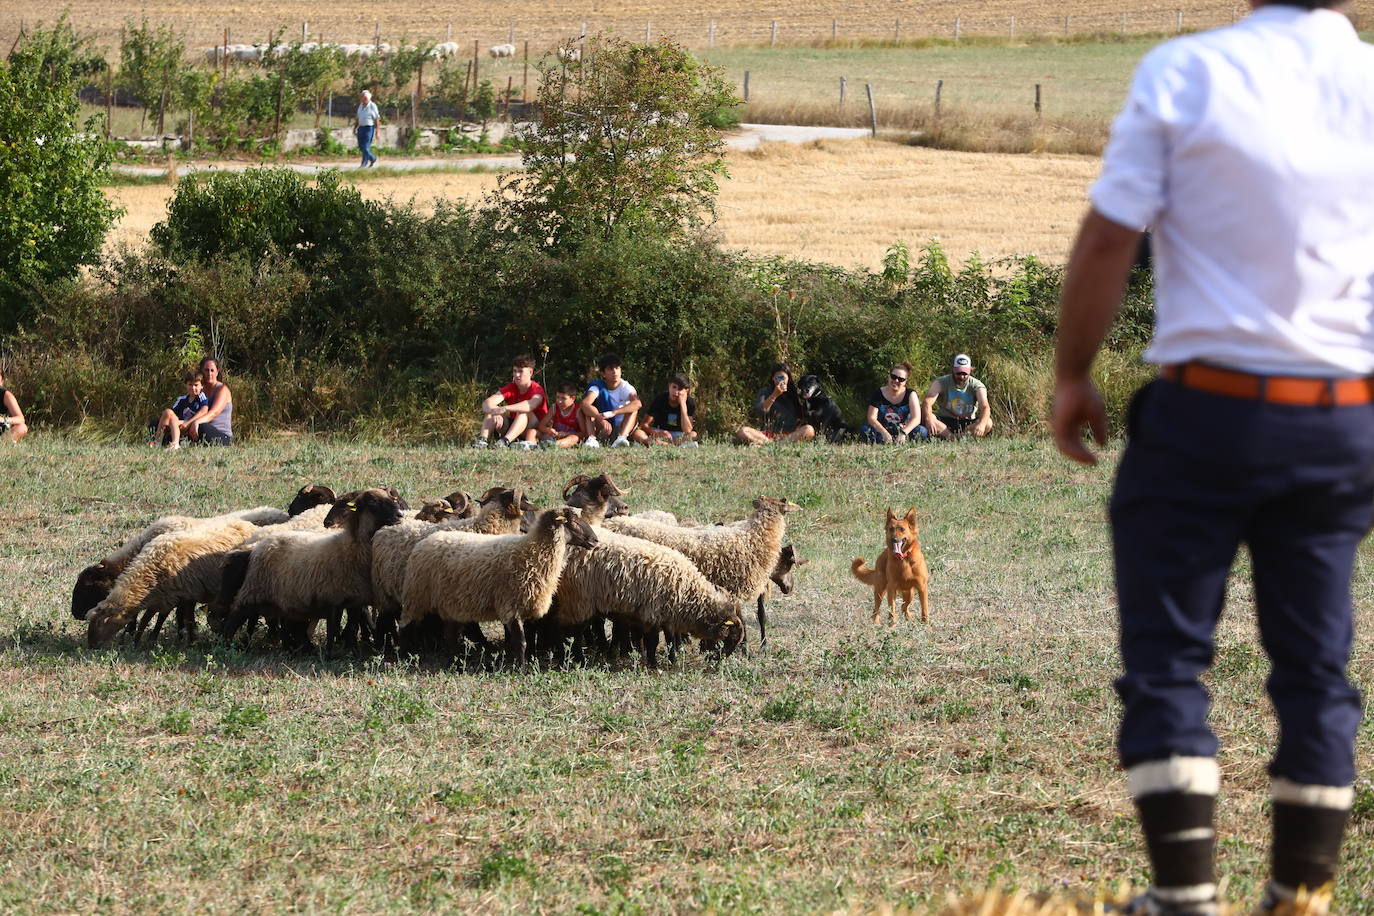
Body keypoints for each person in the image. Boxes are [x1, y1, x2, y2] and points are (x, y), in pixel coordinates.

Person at [1051, 0, 1374, 913]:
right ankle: (1299, 898)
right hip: (1344, 417)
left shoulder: (1187, 71)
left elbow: (1113, 233)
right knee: (1315, 664)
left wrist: (1073, 372)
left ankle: (1185, 899)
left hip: (1209, 415)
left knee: (1166, 662)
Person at [473, 354, 547, 449]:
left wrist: (504, 408)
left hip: (532, 430)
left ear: (530, 372)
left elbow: (530, 405)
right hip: (513, 426)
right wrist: (496, 413)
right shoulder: (511, 387)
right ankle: (482, 441)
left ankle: (504, 442)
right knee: (490, 413)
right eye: (515, 371)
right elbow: (486, 404)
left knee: (523, 413)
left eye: (520, 371)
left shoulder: (537, 389)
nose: (516, 375)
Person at [736, 362, 816, 445]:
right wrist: (775, 394)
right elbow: (760, 412)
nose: (781, 381)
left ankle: (776, 444)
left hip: (790, 435)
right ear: (773, 378)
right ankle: (772, 444)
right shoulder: (765, 392)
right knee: (743, 432)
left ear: (788, 379)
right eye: (778, 378)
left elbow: (804, 415)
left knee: (809, 430)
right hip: (768, 435)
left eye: (783, 378)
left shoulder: (795, 393)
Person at [579, 352, 641, 449]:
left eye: (617, 368)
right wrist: (599, 418)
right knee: (588, 411)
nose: (614, 372)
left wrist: (615, 412)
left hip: (622, 426)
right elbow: (584, 404)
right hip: (604, 426)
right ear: (603, 374)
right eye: (610, 369)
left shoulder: (626, 387)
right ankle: (592, 439)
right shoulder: (597, 386)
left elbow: (637, 403)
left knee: (633, 409)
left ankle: (622, 438)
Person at [922, 354, 992, 439]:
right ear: (952, 369)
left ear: (970, 370)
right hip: (945, 421)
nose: (961, 377)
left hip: (967, 423)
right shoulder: (940, 382)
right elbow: (927, 402)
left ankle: (958, 437)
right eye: (958, 373)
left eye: (964, 374)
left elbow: (985, 407)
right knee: (926, 416)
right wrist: (929, 419)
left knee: (988, 422)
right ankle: (954, 438)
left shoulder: (977, 385)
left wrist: (982, 424)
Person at [859, 362, 925, 444]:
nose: (896, 381)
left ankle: (900, 441)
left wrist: (903, 433)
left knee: (922, 431)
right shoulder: (878, 393)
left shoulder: (911, 394)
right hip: (882, 430)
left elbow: (916, 418)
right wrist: (884, 433)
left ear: (905, 381)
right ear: (889, 376)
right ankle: (887, 441)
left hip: (904, 430)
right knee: (865, 430)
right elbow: (871, 418)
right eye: (893, 377)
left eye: (901, 379)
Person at [632, 373, 699, 447]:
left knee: (693, 435)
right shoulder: (660, 399)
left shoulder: (690, 403)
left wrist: (683, 405)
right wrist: (658, 432)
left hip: (678, 435)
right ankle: (667, 445)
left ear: (686, 391)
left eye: (680, 389)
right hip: (660, 433)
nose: (676, 392)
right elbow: (644, 425)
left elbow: (687, 430)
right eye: (674, 387)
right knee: (637, 433)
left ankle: (663, 445)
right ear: (669, 386)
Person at [150, 369, 208, 449]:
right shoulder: (182, 399)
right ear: (186, 385)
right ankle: (157, 440)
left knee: (173, 421)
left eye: (196, 385)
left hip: (192, 423)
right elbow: (171, 413)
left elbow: (204, 411)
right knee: (167, 412)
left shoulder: (201, 397)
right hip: (180, 423)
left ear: (202, 386)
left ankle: (175, 444)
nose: (193, 388)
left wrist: (188, 423)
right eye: (190, 385)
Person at [193, 357, 234, 445]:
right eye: (206, 370)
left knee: (202, 426)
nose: (209, 373)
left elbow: (214, 413)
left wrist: (196, 422)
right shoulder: (199, 390)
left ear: (217, 371)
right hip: (199, 429)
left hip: (221, 435)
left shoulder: (222, 389)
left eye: (212, 370)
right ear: (201, 371)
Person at [535, 383, 586, 449]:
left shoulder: (578, 411)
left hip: (568, 439)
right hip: (554, 436)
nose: (559, 401)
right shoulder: (554, 408)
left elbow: (584, 433)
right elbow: (541, 426)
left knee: (574, 438)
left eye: (563, 398)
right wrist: (548, 430)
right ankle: (529, 444)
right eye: (558, 397)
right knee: (532, 431)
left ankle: (552, 446)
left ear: (573, 398)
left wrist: (566, 434)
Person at [0, 366, 28, 443]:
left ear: (2, 382)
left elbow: (21, 419)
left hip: (1, 428)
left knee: (22, 428)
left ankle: (3, 441)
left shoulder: (6, 395)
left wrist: (4, 420)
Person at [355, 89, 380, 168]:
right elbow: (358, 117)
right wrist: (355, 127)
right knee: (361, 146)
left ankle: (369, 160)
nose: (360, 98)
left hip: (369, 128)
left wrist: (377, 131)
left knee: (365, 147)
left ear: (366, 98)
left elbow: (377, 119)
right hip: (361, 128)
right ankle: (368, 160)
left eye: (362, 96)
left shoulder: (372, 106)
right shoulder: (360, 105)